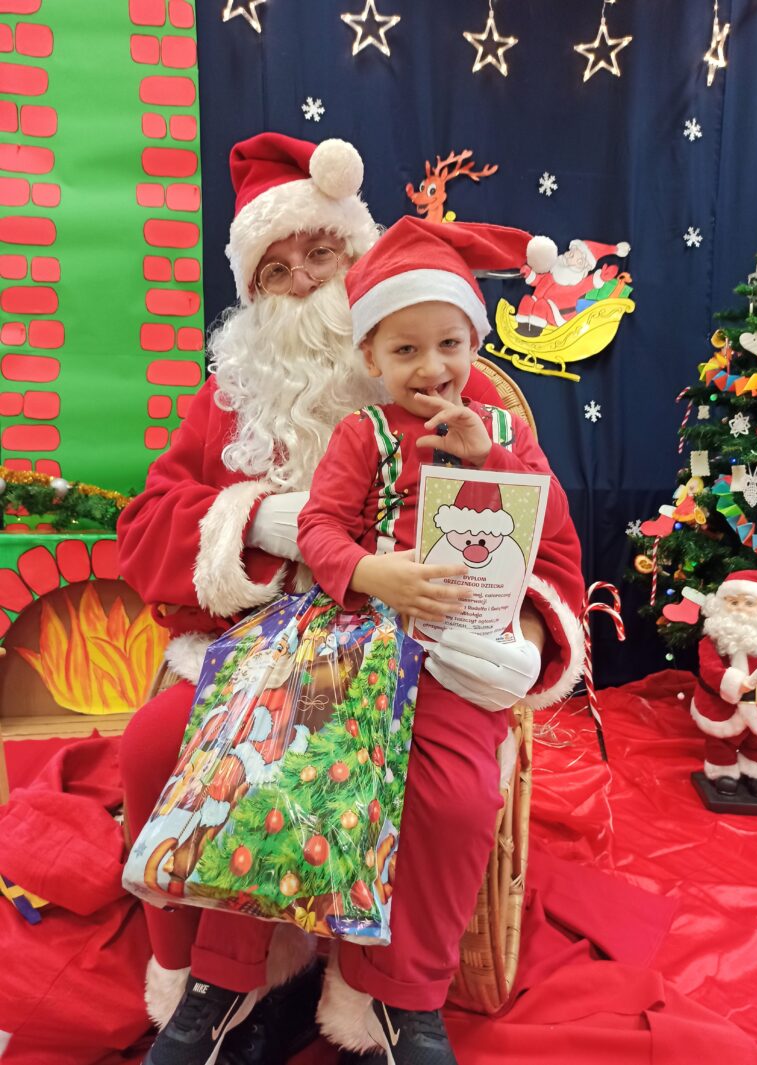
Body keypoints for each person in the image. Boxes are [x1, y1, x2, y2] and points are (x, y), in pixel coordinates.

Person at [116, 131, 581, 1065]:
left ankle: (380, 995)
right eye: (274, 268)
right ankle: (221, 985)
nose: (299, 282)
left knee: (442, 787)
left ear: (358, 259)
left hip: (426, 651)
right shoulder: (231, 397)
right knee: (159, 745)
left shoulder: (464, 393)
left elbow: (544, 537)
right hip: (265, 644)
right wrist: (258, 521)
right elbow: (147, 526)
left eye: (320, 253)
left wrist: (524, 635)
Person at [295, 215, 585, 1062]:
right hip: (359, 641)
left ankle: (405, 995)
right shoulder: (362, 434)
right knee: (308, 771)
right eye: (406, 350)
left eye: (449, 344)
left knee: (458, 801)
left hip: (461, 656)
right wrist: (367, 570)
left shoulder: (506, 433)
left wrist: (491, 459)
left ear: (475, 344)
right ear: (371, 357)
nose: (431, 368)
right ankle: (270, 968)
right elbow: (318, 527)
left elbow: (550, 531)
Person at [690, 569, 757, 797]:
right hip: (723, 705)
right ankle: (723, 772)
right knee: (721, 741)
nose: (740, 608)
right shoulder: (713, 640)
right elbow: (709, 667)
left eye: (749, 603)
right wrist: (730, 682)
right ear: (722, 605)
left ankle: (755, 771)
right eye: (733, 602)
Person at [516, 235, 630, 334]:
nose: (567, 255)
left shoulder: (579, 283)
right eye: (570, 252)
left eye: (572, 255)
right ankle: (522, 326)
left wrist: (602, 277)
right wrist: (529, 274)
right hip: (542, 307)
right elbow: (537, 280)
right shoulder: (553, 274)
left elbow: (591, 282)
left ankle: (534, 332)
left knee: (541, 305)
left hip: (561, 316)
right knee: (527, 300)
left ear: (581, 264)